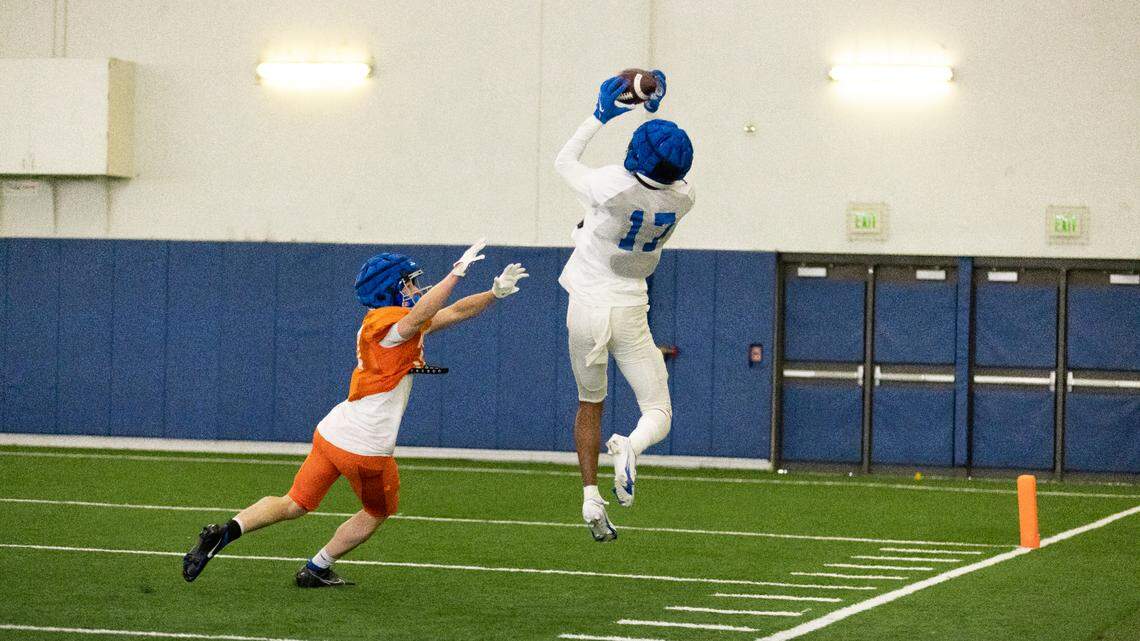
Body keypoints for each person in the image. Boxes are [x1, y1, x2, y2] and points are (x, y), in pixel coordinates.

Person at [182, 240, 527, 586]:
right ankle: (316, 568)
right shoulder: (392, 325)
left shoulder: (387, 322)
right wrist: (455, 273)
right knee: (377, 512)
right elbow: (425, 310)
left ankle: (225, 531)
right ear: (391, 288)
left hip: (335, 431)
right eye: (408, 282)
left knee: (294, 503)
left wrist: (493, 293)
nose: (414, 287)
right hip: (366, 445)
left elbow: (453, 313)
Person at [554, 72, 695, 541]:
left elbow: (564, 161)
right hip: (631, 309)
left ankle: (590, 496)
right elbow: (660, 177)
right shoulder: (684, 198)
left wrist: (600, 116)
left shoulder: (612, 185)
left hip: (587, 308)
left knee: (589, 401)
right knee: (658, 410)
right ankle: (631, 446)